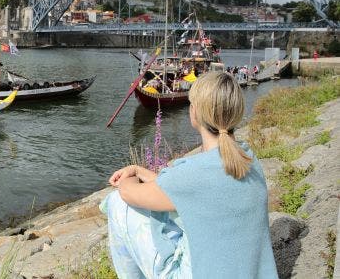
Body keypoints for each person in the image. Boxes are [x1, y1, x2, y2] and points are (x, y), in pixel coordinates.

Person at [101, 72, 277, 278]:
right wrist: (140, 171)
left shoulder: (193, 174)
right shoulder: (249, 159)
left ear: (194, 112)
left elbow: (128, 193)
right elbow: (189, 192)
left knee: (117, 204)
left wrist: (129, 174)